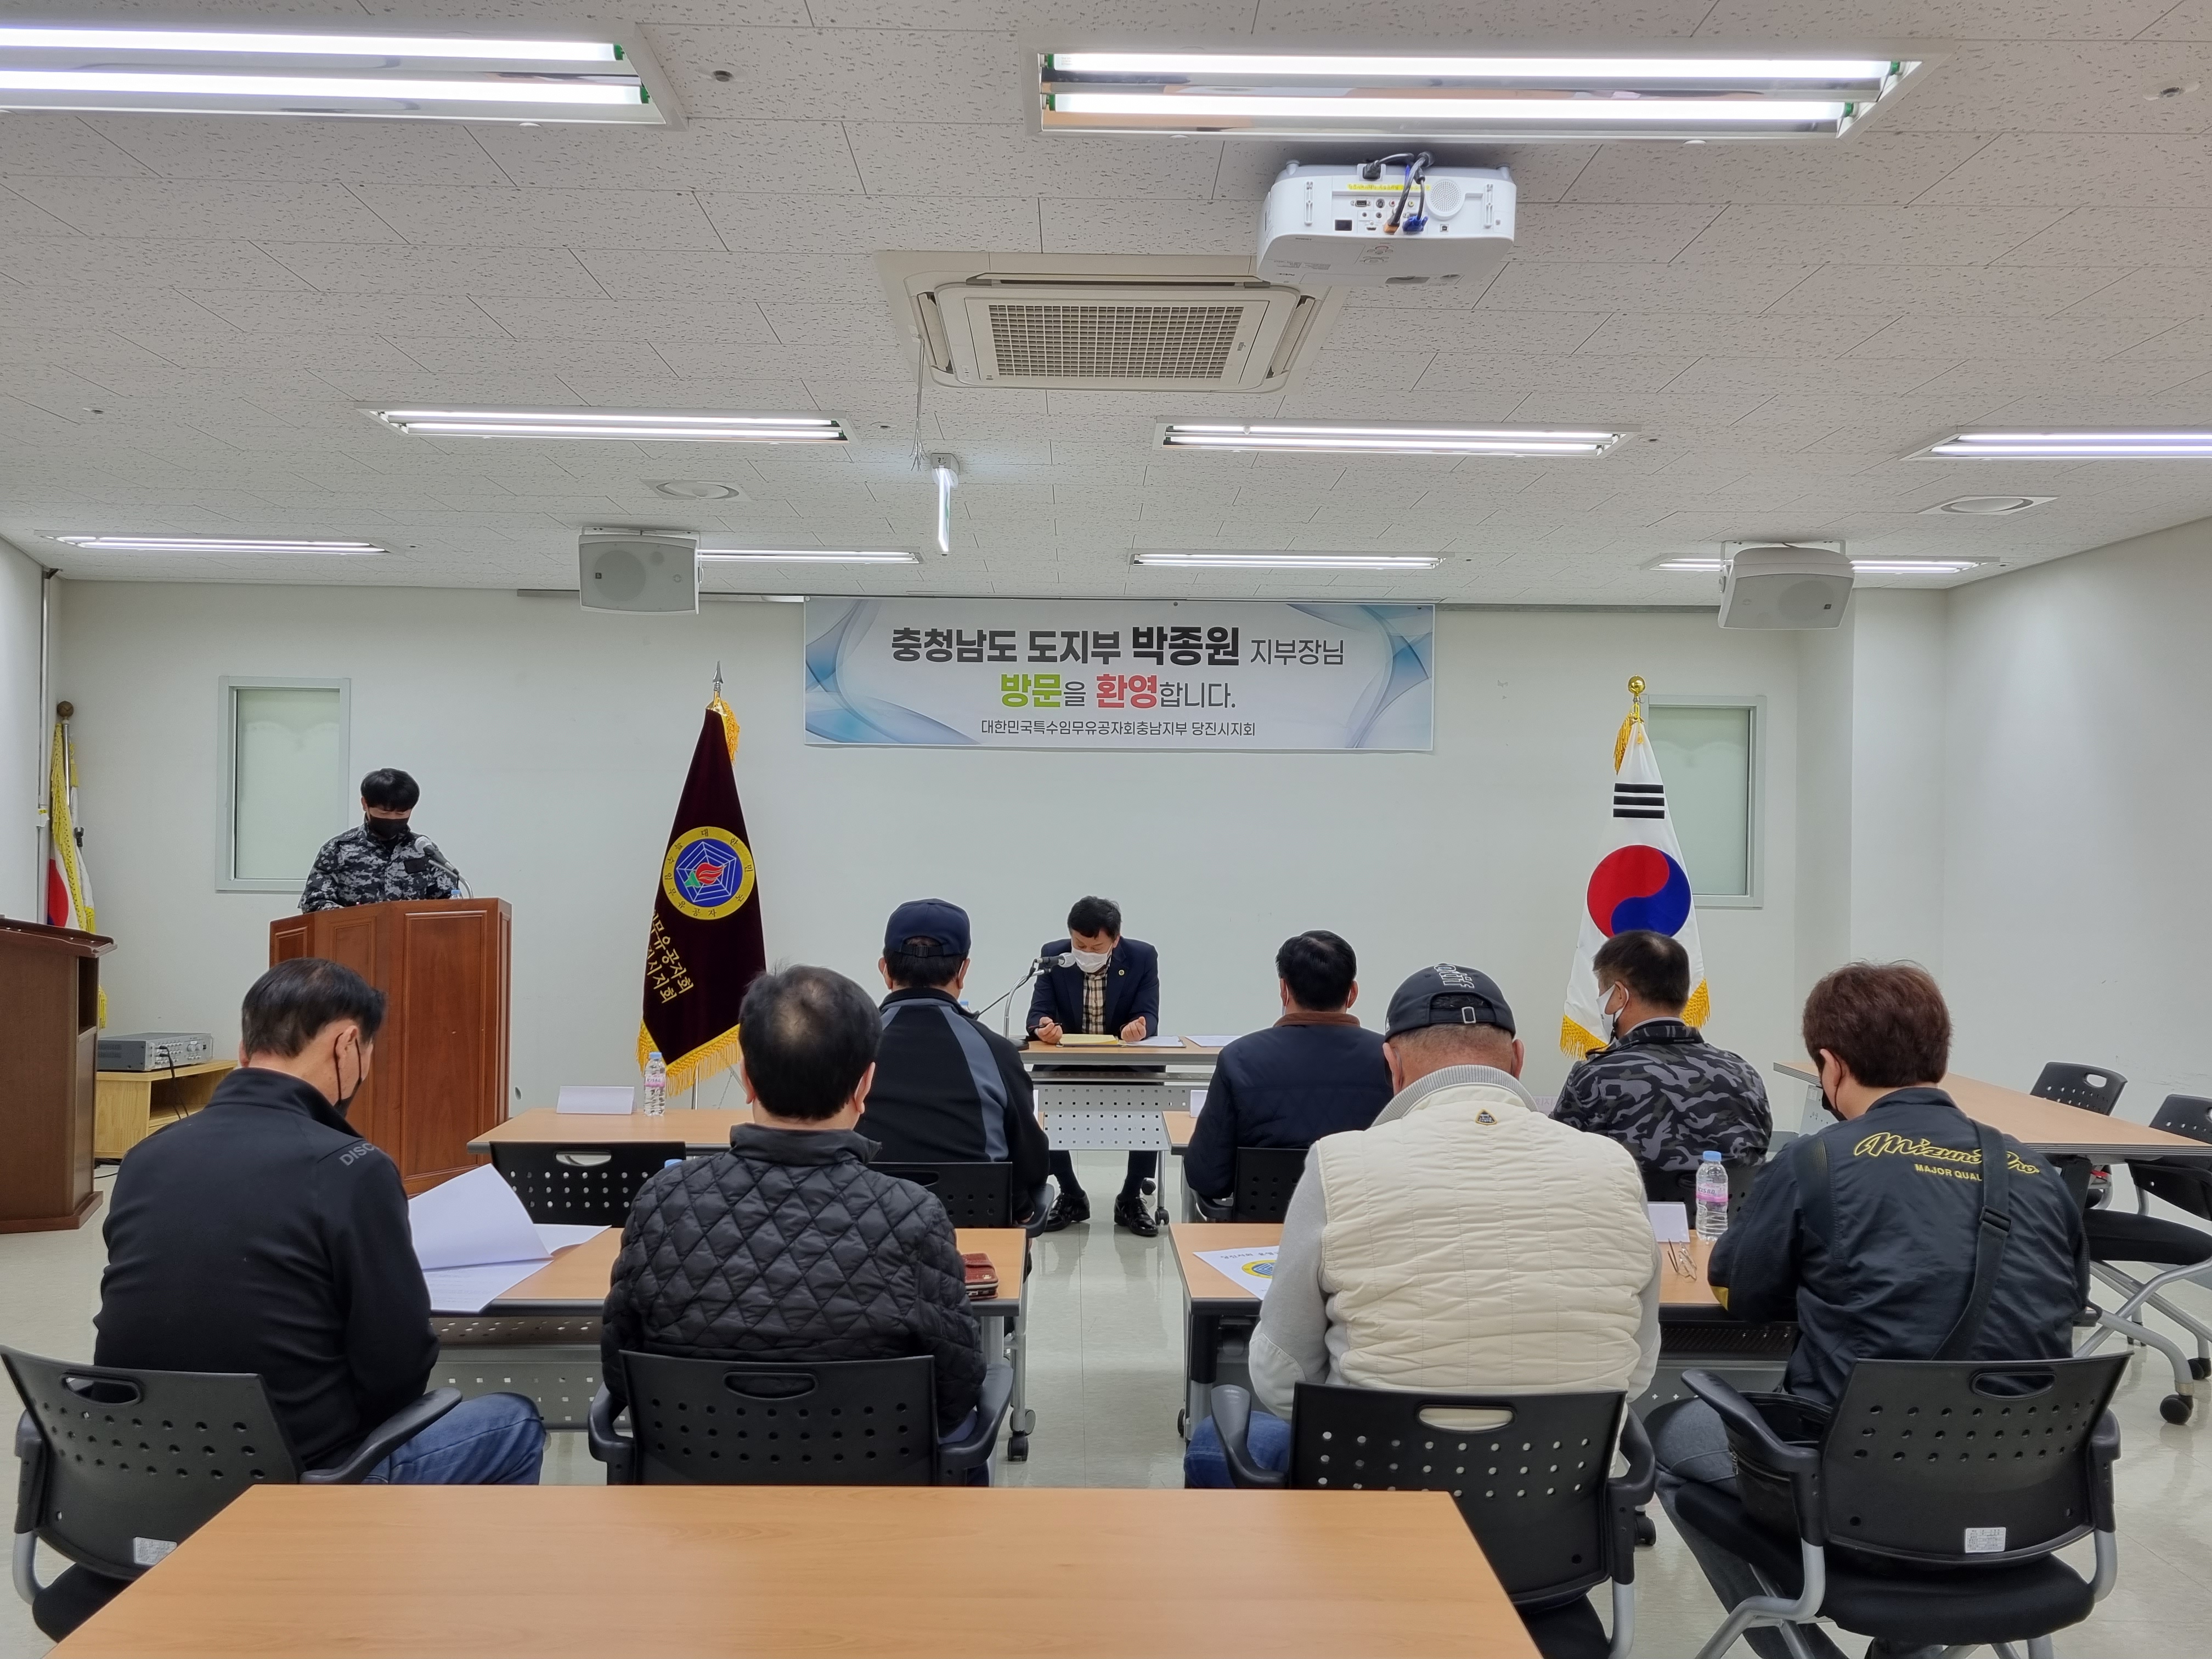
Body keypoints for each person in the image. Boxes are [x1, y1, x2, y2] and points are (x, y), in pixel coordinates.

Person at [1651, 962, 2089, 1659]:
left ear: (1831, 1066)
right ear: (1938, 1058)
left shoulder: (1818, 1161)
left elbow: (1743, 1292)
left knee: (1669, 1432)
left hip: (1860, 1510)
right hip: (2025, 1508)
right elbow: (2064, 1301)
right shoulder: (2037, 1174)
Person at [1186, 963, 1661, 1487]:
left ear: (1391, 1065)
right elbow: (1638, 1367)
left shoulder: (1339, 1163)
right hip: (1554, 1504)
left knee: (1214, 1441)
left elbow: (1281, 1373)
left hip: (1376, 1500)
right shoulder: (1614, 1165)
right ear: (1518, 1060)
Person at [95, 958, 544, 1483]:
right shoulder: (351, 1167)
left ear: (244, 1050)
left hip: (137, 1470)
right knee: (514, 1421)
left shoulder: (145, 1158)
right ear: (347, 1045)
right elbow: (398, 1366)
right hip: (295, 1483)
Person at [602, 964, 985, 1436]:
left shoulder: (662, 1202)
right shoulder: (914, 1214)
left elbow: (621, 1369)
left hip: (692, 1469)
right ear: (865, 1085)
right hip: (869, 1470)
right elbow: (956, 1388)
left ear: (747, 1078)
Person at [860, 898, 1051, 1223]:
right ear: (963, 971)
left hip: (865, 1235)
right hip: (975, 1244)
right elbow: (1031, 1166)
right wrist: (1018, 1212)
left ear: (885, 970)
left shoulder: (850, 1048)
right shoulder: (995, 1052)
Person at [1183, 930, 1392, 1206]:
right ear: (1353, 993)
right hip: (1363, 1222)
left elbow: (1207, 1177)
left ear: (1284, 989)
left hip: (1260, 1227)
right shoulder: (1391, 1059)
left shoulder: (1239, 1058)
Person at [1554, 928, 1771, 1193]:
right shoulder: (1744, 1075)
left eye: (1602, 993)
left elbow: (1560, 1165)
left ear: (1620, 995)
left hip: (1630, 1219)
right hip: (1724, 1220)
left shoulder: (1595, 1078)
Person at [1026, 895, 1164, 1236]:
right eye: (1079, 944)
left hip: (1125, 1059)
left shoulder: (1142, 956)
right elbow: (1038, 1013)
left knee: (1152, 1097)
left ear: (1115, 939)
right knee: (1036, 1101)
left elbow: (1149, 1013)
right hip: (1069, 1060)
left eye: (1096, 946)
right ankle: (1071, 1193)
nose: (1086, 952)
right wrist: (1043, 1027)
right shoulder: (1054, 955)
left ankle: (1130, 1197)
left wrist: (1140, 1027)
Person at [300, 766, 464, 911]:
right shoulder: (338, 849)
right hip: (357, 935)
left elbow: (449, 899)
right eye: (384, 813)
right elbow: (314, 902)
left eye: (401, 813)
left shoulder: (423, 849)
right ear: (365, 804)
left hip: (413, 935)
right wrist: (356, 918)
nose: (392, 818)